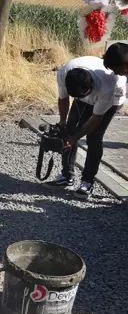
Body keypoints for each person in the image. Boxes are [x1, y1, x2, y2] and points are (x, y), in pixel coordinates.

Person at [48, 43, 128, 198]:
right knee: (68, 130)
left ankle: (87, 182)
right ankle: (66, 176)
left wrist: (75, 138)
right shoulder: (65, 74)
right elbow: (63, 99)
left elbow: (96, 118)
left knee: (94, 137)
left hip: (111, 101)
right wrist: (63, 122)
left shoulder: (108, 86)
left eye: (83, 95)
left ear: (90, 88)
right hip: (86, 91)